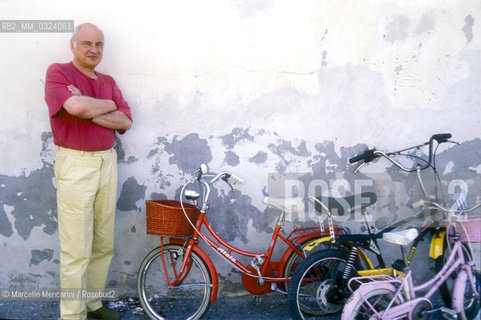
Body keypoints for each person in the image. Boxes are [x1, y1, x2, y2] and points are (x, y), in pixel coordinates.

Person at [44, 22, 133, 319]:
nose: (93, 49)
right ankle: (72, 314)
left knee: (103, 243)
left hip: (107, 162)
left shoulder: (107, 80)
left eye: (99, 44)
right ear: (73, 45)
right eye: (86, 43)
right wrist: (105, 107)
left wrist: (93, 106)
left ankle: (93, 303)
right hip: (76, 163)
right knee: (76, 248)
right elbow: (76, 108)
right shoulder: (58, 72)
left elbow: (125, 121)